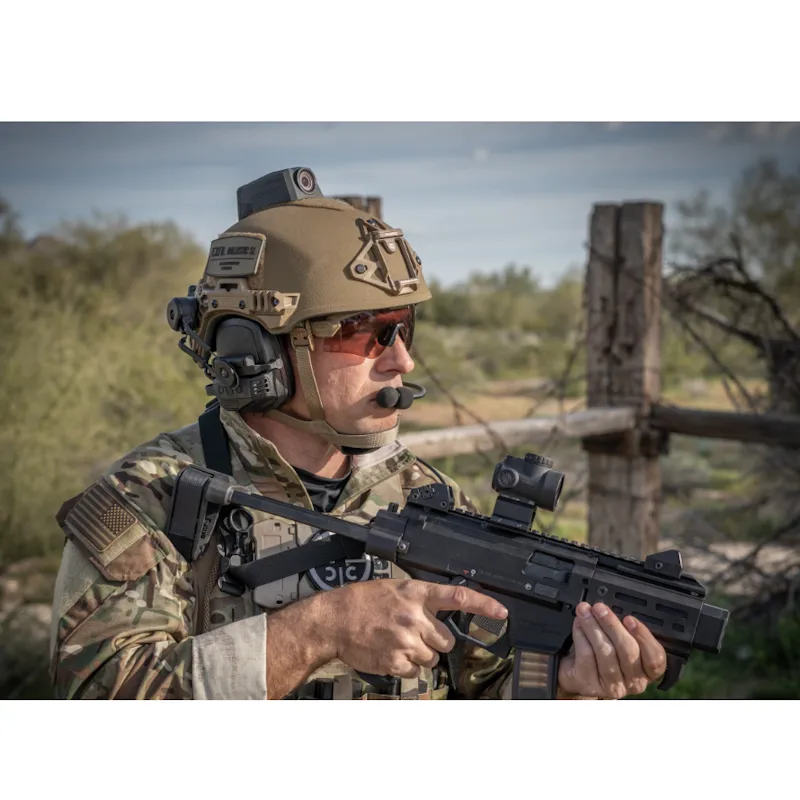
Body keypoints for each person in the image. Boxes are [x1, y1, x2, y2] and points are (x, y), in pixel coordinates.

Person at [49, 167, 667, 700]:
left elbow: (482, 689)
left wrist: (565, 686)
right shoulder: (149, 499)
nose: (402, 362)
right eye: (366, 332)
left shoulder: (435, 501)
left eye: (405, 329)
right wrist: (320, 631)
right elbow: (100, 697)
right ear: (259, 348)